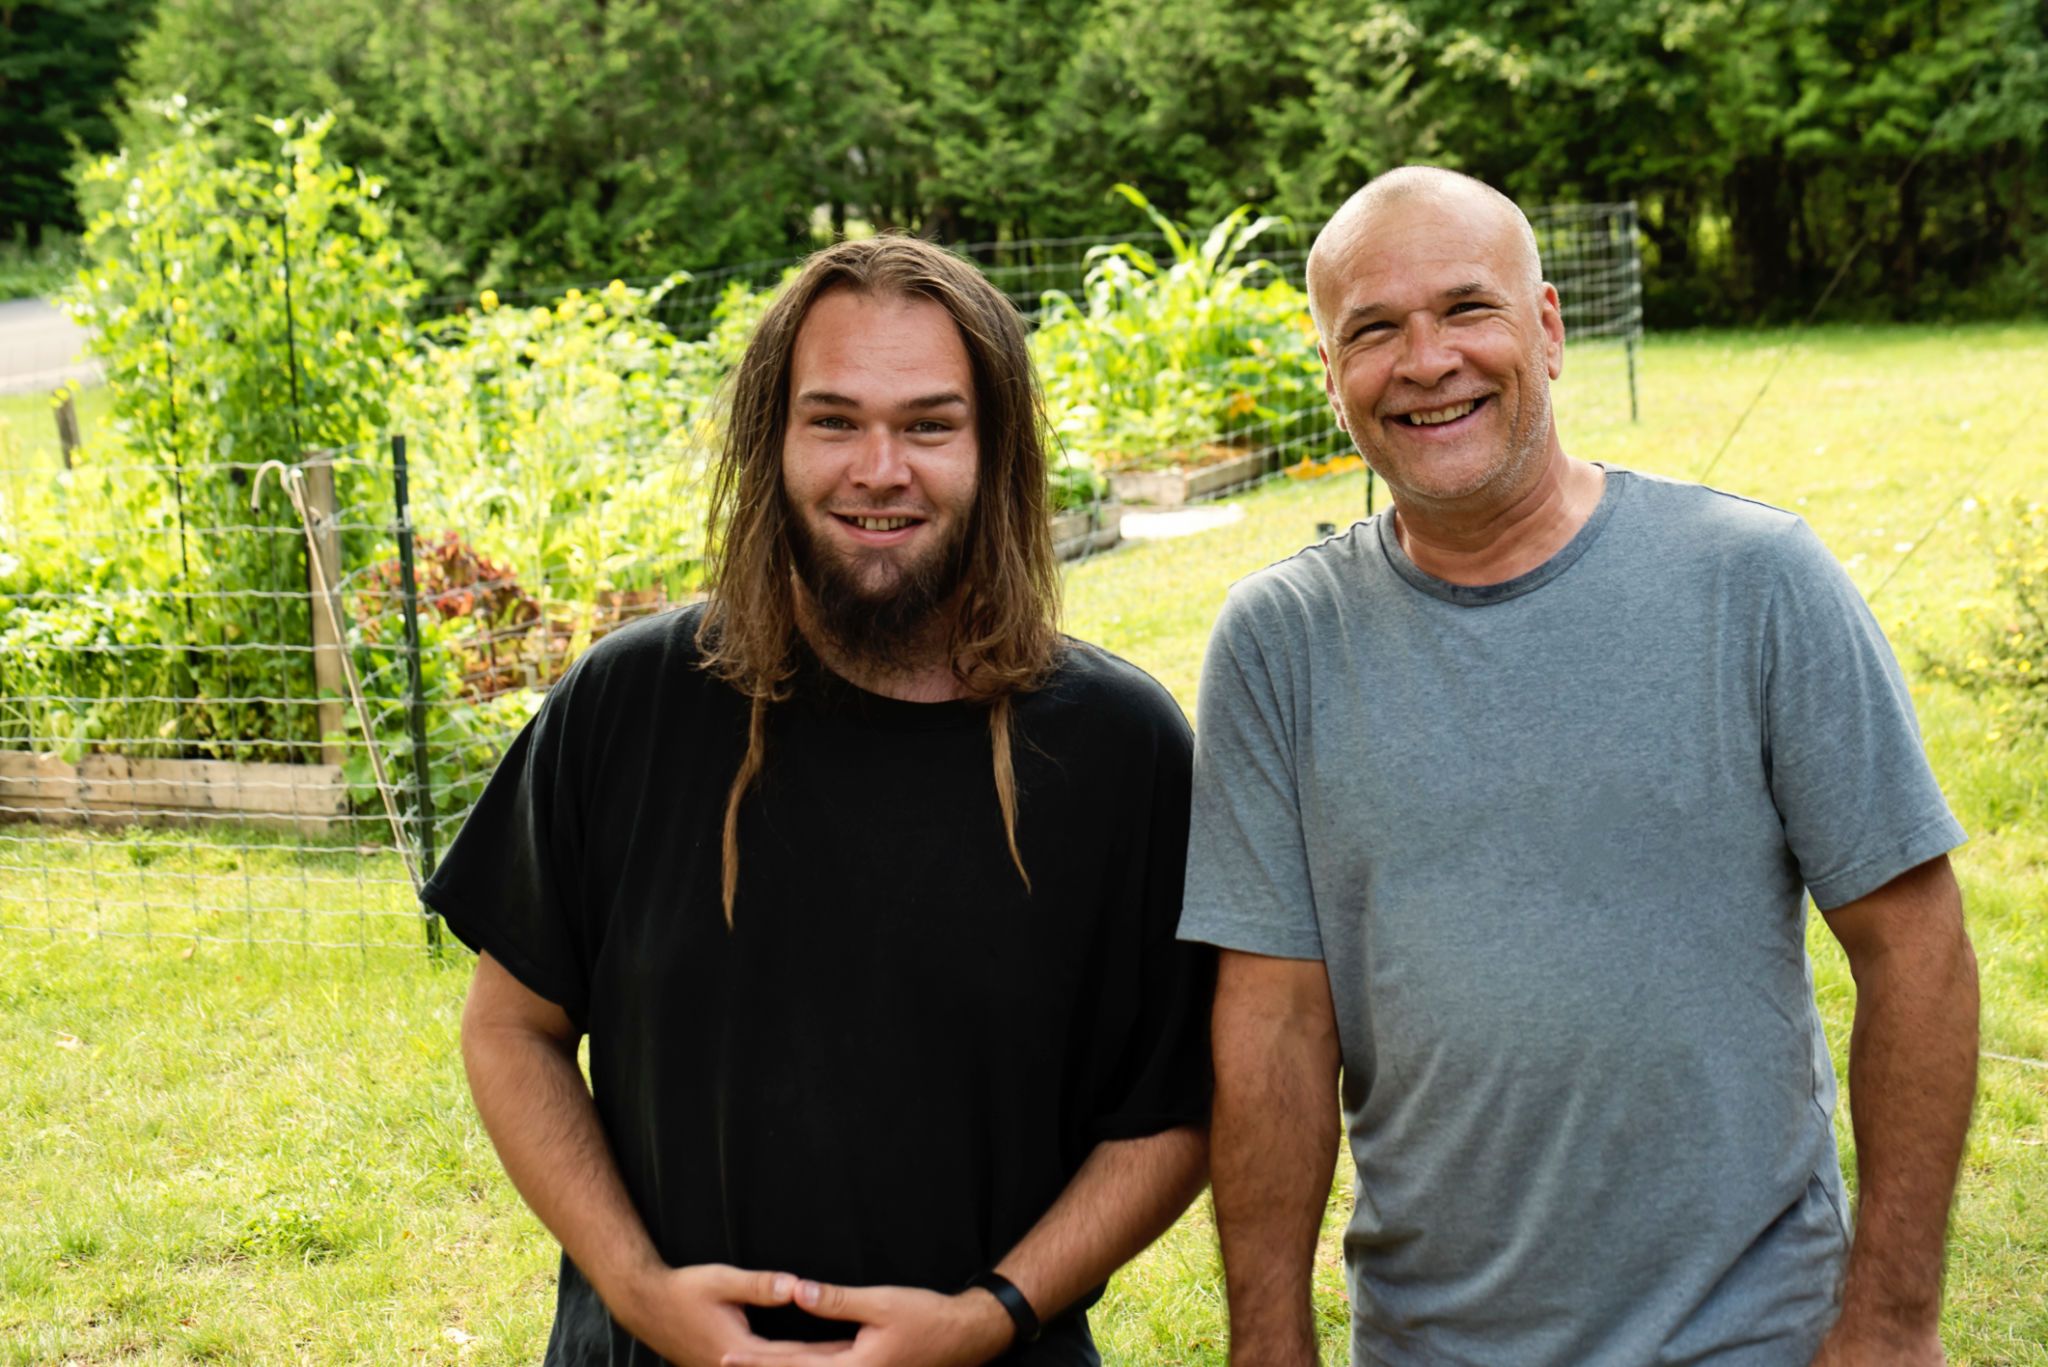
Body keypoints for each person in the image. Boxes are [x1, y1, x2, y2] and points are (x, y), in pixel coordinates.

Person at [1179, 166, 1980, 1366]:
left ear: (1546, 330)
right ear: (1329, 374)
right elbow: (1274, 1022)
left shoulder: (1753, 581)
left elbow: (1913, 948)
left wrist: (1889, 1318)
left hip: (1749, 1333)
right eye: (1373, 330)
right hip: (1429, 1343)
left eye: (1465, 309)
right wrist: (1266, 1341)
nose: (1425, 360)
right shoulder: (1277, 644)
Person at [428, 234, 1213, 1367]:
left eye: (929, 424)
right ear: (773, 439)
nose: (877, 467)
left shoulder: (1114, 749)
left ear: (996, 452)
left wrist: (990, 1312)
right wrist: (640, 1290)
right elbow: (512, 1025)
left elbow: (1171, 1105)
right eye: (833, 419)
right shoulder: (630, 701)